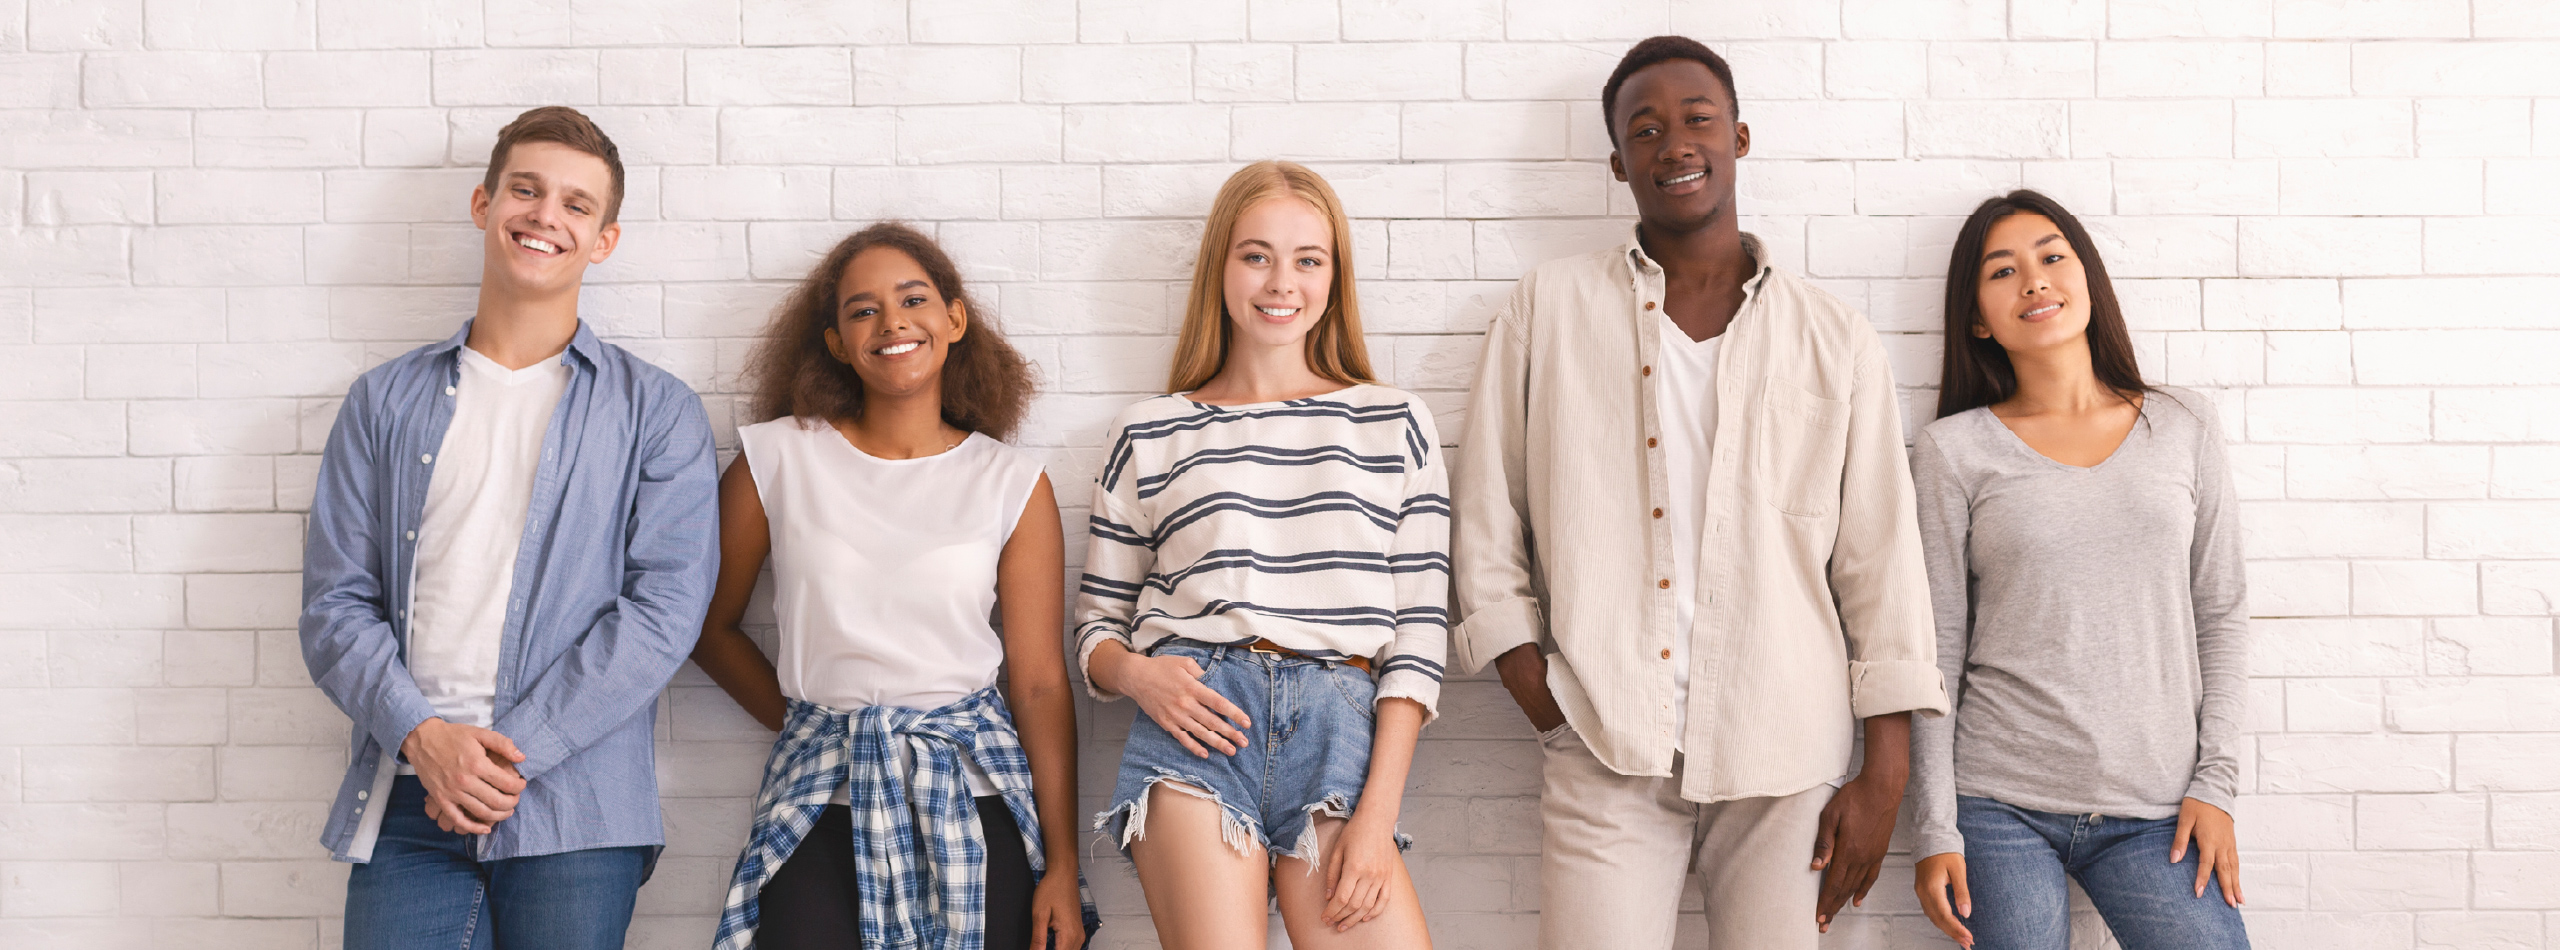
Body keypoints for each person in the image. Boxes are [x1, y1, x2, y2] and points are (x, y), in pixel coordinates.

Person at [1450, 36, 1949, 950]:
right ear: (1617, 163)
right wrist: (1540, 692)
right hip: (1601, 742)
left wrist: (1886, 774)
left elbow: (1880, 557)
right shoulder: (1544, 310)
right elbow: (1485, 514)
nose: (1674, 143)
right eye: (1644, 130)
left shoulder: (1834, 338)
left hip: (1786, 753)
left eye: (1696, 120)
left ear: (1740, 137)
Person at [298, 106, 719, 950]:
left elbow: (664, 613)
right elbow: (335, 605)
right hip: (410, 797)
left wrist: (500, 758)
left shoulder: (658, 413)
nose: (544, 216)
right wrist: (427, 739)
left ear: (604, 240)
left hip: (576, 807)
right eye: (525, 190)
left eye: (575, 204)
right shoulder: (383, 402)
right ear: (483, 203)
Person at [694, 222, 1096, 950]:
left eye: (913, 299)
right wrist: (812, 724)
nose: (892, 323)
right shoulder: (777, 459)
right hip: (819, 805)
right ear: (836, 341)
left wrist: (1063, 865)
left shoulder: (1010, 484)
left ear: (954, 318)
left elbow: (1038, 685)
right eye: (862, 310)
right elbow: (706, 626)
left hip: (975, 802)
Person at [1077, 160, 1444, 949]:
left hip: (1342, 726)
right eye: (1257, 255)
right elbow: (1095, 629)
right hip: (1200, 723)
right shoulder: (1150, 430)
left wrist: (1376, 816)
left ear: (1333, 277)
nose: (1282, 282)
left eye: (1308, 259)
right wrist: (1139, 674)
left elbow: (1419, 634)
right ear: (1221, 267)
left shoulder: (1393, 423)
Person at [1907, 190, 2251, 950]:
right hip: (1998, 806)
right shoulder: (1952, 451)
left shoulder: (2182, 425)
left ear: (2086, 278)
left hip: (2158, 810)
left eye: (2052, 257)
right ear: (1977, 318)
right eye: (2003, 272)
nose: (2034, 280)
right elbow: (1933, 649)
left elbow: (2220, 612)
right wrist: (1935, 826)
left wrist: (2216, 785)